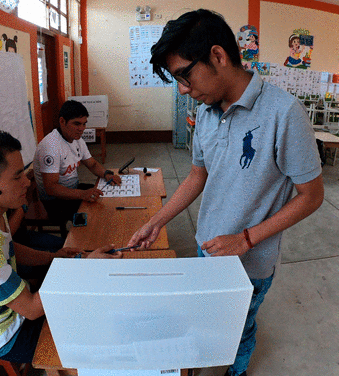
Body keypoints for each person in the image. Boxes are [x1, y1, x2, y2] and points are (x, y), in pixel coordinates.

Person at [128, 9, 324, 376]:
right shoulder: (204, 112)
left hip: (251, 260)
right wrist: (156, 221)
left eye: (186, 75)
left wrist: (247, 239)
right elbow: (197, 177)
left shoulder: (284, 113)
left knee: (241, 328)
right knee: (209, 318)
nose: (184, 89)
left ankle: (237, 372)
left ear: (218, 56)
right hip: (209, 246)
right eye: (178, 80)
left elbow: (311, 196)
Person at [0, 130, 122, 366]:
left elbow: (10, 248)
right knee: (94, 332)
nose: (27, 182)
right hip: (7, 335)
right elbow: (30, 309)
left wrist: (55, 257)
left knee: (90, 300)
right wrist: (82, 267)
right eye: (17, 177)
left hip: (17, 310)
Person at [33, 100, 122, 223]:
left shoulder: (76, 139)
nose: (81, 129)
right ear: (62, 121)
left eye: (84, 124)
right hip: (55, 201)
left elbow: (92, 164)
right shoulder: (50, 146)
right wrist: (82, 194)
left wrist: (107, 174)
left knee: (109, 196)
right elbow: (51, 188)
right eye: (77, 124)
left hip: (73, 191)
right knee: (99, 212)